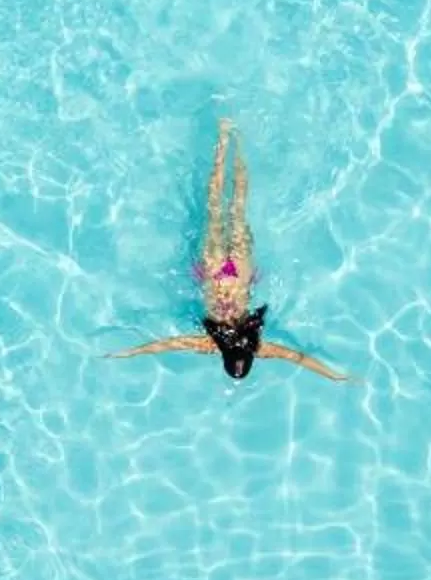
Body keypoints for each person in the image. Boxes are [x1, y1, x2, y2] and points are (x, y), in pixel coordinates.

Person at [112, 120, 347, 383]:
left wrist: (334, 376)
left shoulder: (248, 346)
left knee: (236, 207)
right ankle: (226, 139)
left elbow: (296, 357)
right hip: (216, 271)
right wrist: (131, 352)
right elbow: (167, 345)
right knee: (217, 205)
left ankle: (234, 141)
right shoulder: (211, 344)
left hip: (238, 271)